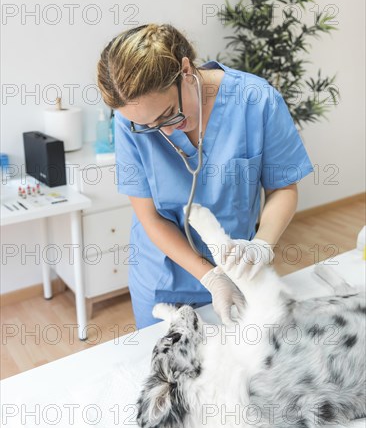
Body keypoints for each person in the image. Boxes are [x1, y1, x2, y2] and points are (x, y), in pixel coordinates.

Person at [97, 23, 314, 329]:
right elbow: (150, 218)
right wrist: (210, 277)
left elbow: (283, 188)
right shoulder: (130, 122)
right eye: (149, 125)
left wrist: (262, 244)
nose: (165, 131)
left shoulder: (256, 100)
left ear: (186, 71)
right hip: (162, 281)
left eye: (169, 113)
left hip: (239, 269)